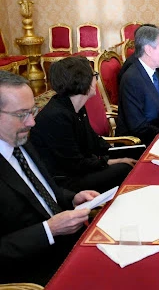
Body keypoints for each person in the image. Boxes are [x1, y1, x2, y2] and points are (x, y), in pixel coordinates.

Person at [0, 71, 99, 285]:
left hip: (69, 242)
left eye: (32, 111)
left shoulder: (21, 139)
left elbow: (39, 190)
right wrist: (48, 230)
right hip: (34, 270)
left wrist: (72, 198)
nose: (32, 122)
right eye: (22, 114)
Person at [30, 56, 136, 193]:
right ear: (83, 81)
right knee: (124, 169)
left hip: (79, 170)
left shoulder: (76, 107)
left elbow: (93, 141)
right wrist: (111, 162)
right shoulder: (56, 116)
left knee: (134, 158)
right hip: (65, 182)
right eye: (94, 75)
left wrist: (120, 153)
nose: (96, 80)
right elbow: (74, 164)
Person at [116, 26, 159, 145]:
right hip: (141, 144)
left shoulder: (151, 69)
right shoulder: (132, 79)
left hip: (158, 132)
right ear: (149, 50)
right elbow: (139, 127)